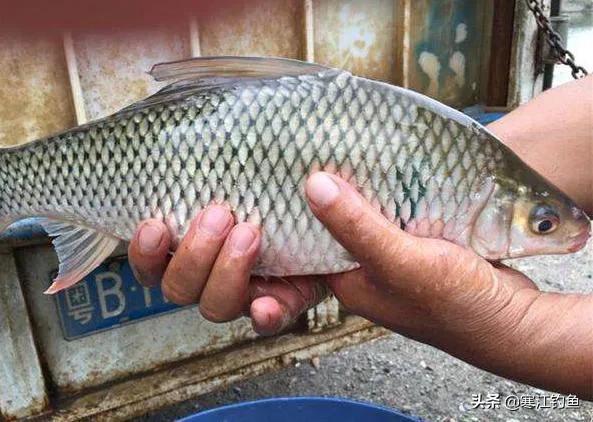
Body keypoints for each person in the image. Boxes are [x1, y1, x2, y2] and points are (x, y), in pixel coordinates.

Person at [128, 75, 593, 398]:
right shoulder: (464, 178)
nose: (570, 238)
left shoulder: (465, 175)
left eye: (541, 224)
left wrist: (518, 322)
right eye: (543, 224)